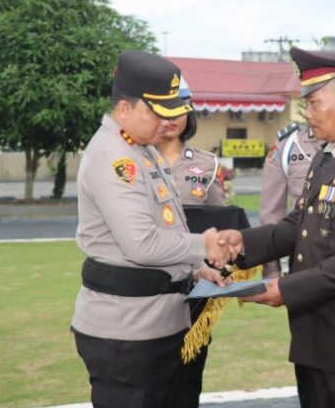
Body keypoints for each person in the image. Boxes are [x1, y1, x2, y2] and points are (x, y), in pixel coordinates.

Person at [219, 46, 335, 408]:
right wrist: (241, 244)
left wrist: (286, 288)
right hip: (315, 339)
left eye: (314, 103)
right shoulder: (327, 156)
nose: (307, 116)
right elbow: (298, 225)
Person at [71, 50, 231, 408]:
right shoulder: (116, 158)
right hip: (127, 333)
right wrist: (203, 247)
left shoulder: (141, 149)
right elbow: (141, 244)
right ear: (124, 109)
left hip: (155, 324)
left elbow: (167, 225)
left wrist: (196, 270)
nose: (166, 123)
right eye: (158, 113)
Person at [153, 75, 226, 407]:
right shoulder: (134, 161)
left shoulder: (207, 165)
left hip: (193, 286)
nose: (170, 119)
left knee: (188, 377)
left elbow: (221, 224)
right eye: (163, 110)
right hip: (147, 283)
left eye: (178, 110)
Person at [259, 121, 322, 278]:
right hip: (305, 264)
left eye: (315, 102)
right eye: (307, 103)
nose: (308, 112)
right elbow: (270, 214)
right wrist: (271, 270)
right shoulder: (289, 144)